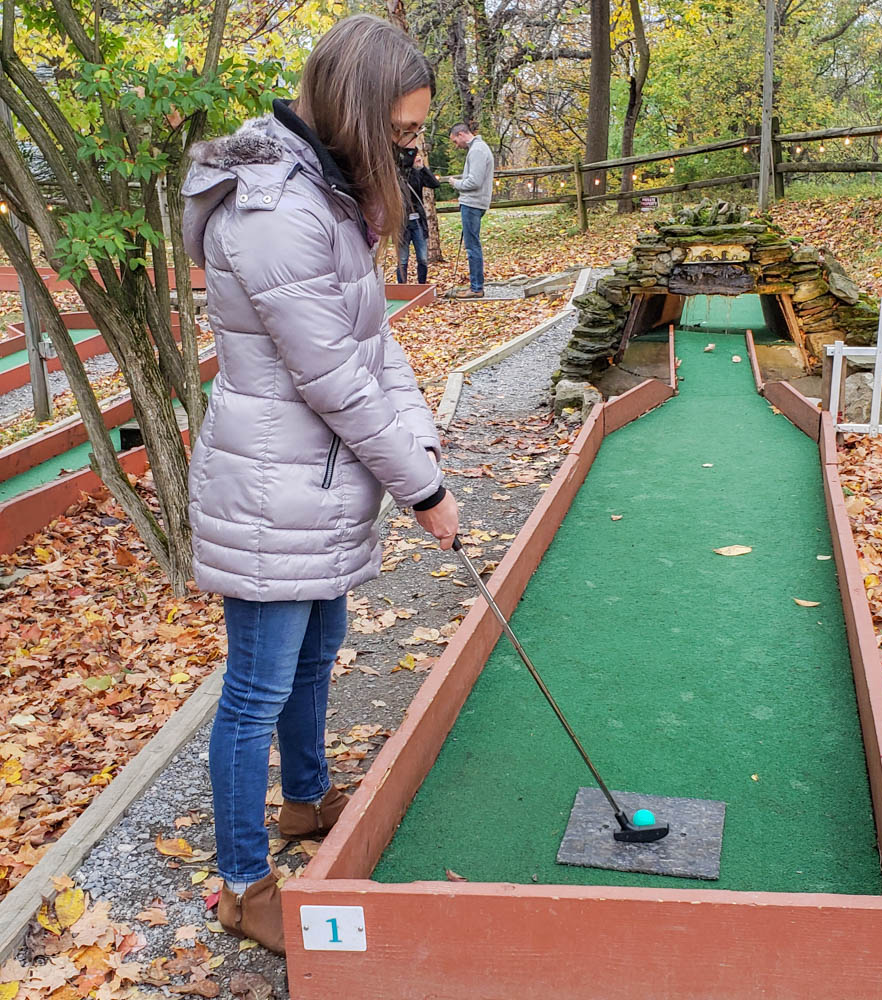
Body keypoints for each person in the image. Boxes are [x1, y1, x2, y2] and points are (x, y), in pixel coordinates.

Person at [180, 14, 459, 955]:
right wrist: (422, 493)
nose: (412, 150)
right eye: (405, 132)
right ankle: (241, 881)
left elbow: (379, 350)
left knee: (318, 645)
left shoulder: (329, 195)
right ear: (354, 111)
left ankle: (304, 802)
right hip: (271, 487)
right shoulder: (276, 214)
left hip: (318, 482)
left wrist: (424, 461)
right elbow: (335, 377)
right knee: (256, 684)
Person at [446, 123, 494, 299]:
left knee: (472, 246)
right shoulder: (477, 149)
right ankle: (475, 285)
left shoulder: (477, 151)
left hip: (473, 203)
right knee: (471, 244)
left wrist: (455, 183)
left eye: (455, 141)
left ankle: (476, 287)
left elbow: (474, 181)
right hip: (473, 203)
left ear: (460, 134)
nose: (455, 145)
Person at [395, 149, 440, 284]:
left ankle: (421, 285)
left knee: (422, 258)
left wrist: (423, 168)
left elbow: (434, 184)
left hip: (418, 221)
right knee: (402, 259)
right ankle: (402, 288)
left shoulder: (418, 173)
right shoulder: (397, 175)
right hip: (402, 222)